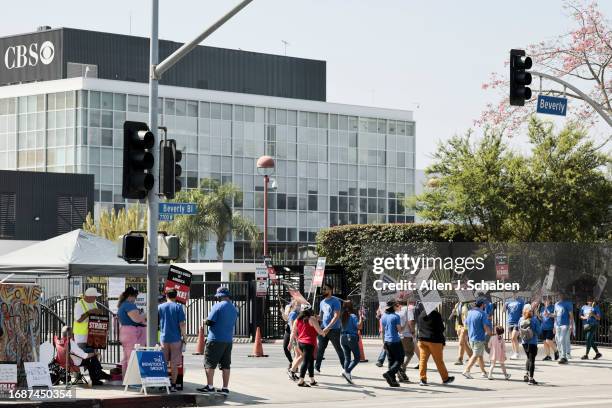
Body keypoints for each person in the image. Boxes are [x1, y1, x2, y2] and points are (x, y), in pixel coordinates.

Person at [198, 287, 238, 394]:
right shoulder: (234, 308)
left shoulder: (217, 306)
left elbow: (210, 322)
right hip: (228, 340)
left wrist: (205, 320)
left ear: (220, 296)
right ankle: (225, 388)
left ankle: (210, 386)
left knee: (209, 363)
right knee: (226, 365)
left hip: (215, 339)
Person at [416, 303, 454, 386]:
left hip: (422, 339)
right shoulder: (436, 314)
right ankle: (445, 378)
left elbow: (419, 326)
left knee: (422, 360)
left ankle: (422, 379)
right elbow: (441, 328)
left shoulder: (421, 314)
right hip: (434, 340)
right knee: (438, 361)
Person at [158, 289, 186, 392]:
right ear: (176, 296)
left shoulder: (160, 307)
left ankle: (163, 384)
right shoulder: (178, 307)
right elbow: (182, 324)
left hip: (163, 339)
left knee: (163, 363)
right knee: (174, 364)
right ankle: (173, 385)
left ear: (166, 295)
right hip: (175, 339)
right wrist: (185, 337)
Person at [291, 304, 325, 387]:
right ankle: (301, 380)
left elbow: (293, 332)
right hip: (309, 343)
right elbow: (319, 331)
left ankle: (312, 380)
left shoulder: (297, 320)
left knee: (310, 361)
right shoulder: (312, 319)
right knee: (306, 362)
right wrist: (324, 333)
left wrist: (290, 342)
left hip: (301, 343)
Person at [315, 283, 345, 373]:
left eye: (325, 289)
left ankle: (346, 369)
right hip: (323, 329)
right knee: (320, 349)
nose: (323, 291)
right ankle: (317, 368)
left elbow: (336, 316)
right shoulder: (322, 302)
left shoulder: (335, 301)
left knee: (338, 349)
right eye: (323, 289)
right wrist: (313, 315)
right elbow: (320, 317)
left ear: (330, 290)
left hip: (334, 329)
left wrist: (328, 327)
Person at [117, 286, 146, 375]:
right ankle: (132, 380)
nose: (135, 299)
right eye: (135, 297)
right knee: (133, 357)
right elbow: (137, 319)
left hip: (124, 331)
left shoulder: (122, 305)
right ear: (130, 296)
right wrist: (146, 315)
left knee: (126, 357)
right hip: (131, 332)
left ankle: (125, 379)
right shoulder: (129, 305)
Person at [462, 299, 491, 379]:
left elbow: (465, 323)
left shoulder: (470, 312)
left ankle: (483, 372)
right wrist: (489, 333)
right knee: (475, 355)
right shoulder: (483, 313)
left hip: (471, 337)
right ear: (482, 305)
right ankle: (467, 370)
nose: (485, 306)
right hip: (479, 337)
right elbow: (485, 326)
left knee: (480, 355)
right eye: (484, 304)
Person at [381, 300, 404, 387]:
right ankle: (389, 373)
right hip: (395, 341)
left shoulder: (383, 316)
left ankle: (392, 381)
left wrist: (383, 342)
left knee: (391, 360)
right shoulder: (395, 316)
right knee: (400, 359)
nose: (397, 306)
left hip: (387, 341)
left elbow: (382, 331)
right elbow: (399, 330)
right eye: (396, 305)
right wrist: (404, 326)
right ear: (393, 307)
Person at [340, 300, 363, 384]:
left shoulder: (342, 316)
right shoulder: (353, 316)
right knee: (357, 358)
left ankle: (347, 373)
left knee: (347, 358)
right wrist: (361, 317)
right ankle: (347, 371)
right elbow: (359, 326)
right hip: (351, 338)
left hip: (343, 337)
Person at [519, 305, 542, 385]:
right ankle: (531, 379)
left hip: (524, 342)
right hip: (533, 342)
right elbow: (539, 331)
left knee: (528, 357)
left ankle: (526, 374)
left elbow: (520, 330)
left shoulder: (521, 319)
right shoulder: (535, 320)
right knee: (532, 360)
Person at [397, 298, 416, 382]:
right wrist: (413, 331)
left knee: (401, 354)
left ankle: (401, 374)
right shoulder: (408, 309)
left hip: (397, 335)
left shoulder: (397, 310)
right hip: (406, 335)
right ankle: (402, 369)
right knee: (410, 353)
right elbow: (411, 321)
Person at [554, 293, 574, 365]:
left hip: (565, 325)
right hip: (558, 325)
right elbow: (556, 315)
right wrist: (554, 325)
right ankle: (561, 354)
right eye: (557, 295)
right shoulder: (556, 304)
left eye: (559, 295)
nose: (557, 296)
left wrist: (571, 325)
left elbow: (571, 315)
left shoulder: (567, 304)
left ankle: (564, 357)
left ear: (562, 296)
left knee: (562, 339)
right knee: (557, 339)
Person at [451, 300, 473, 365]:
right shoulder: (457, 304)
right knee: (464, 343)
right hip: (459, 325)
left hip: (465, 326)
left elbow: (470, 314)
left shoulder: (468, 305)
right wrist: (454, 312)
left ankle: (460, 359)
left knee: (461, 342)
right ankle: (472, 357)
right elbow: (457, 314)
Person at [281, 299, 299, 374]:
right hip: (289, 329)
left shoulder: (299, 309)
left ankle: (295, 366)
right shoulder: (288, 307)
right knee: (285, 347)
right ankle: (292, 362)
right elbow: (286, 319)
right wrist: (282, 312)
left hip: (296, 330)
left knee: (296, 350)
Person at [505, 295, 525, 359]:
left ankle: (517, 353)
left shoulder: (521, 301)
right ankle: (514, 353)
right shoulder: (508, 301)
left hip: (517, 322)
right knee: (512, 339)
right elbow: (503, 310)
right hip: (510, 321)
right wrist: (504, 304)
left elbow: (523, 312)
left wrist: (523, 320)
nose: (514, 293)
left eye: (515, 292)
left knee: (514, 337)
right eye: (513, 292)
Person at [540, 296, 559, 361]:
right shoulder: (542, 308)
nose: (546, 301)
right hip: (543, 327)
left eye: (547, 300)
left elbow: (555, 315)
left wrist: (549, 314)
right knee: (545, 342)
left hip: (550, 327)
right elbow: (541, 317)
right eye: (545, 300)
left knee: (548, 340)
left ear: (550, 300)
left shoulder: (553, 307)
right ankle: (548, 356)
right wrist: (538, 315)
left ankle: (556, 351)